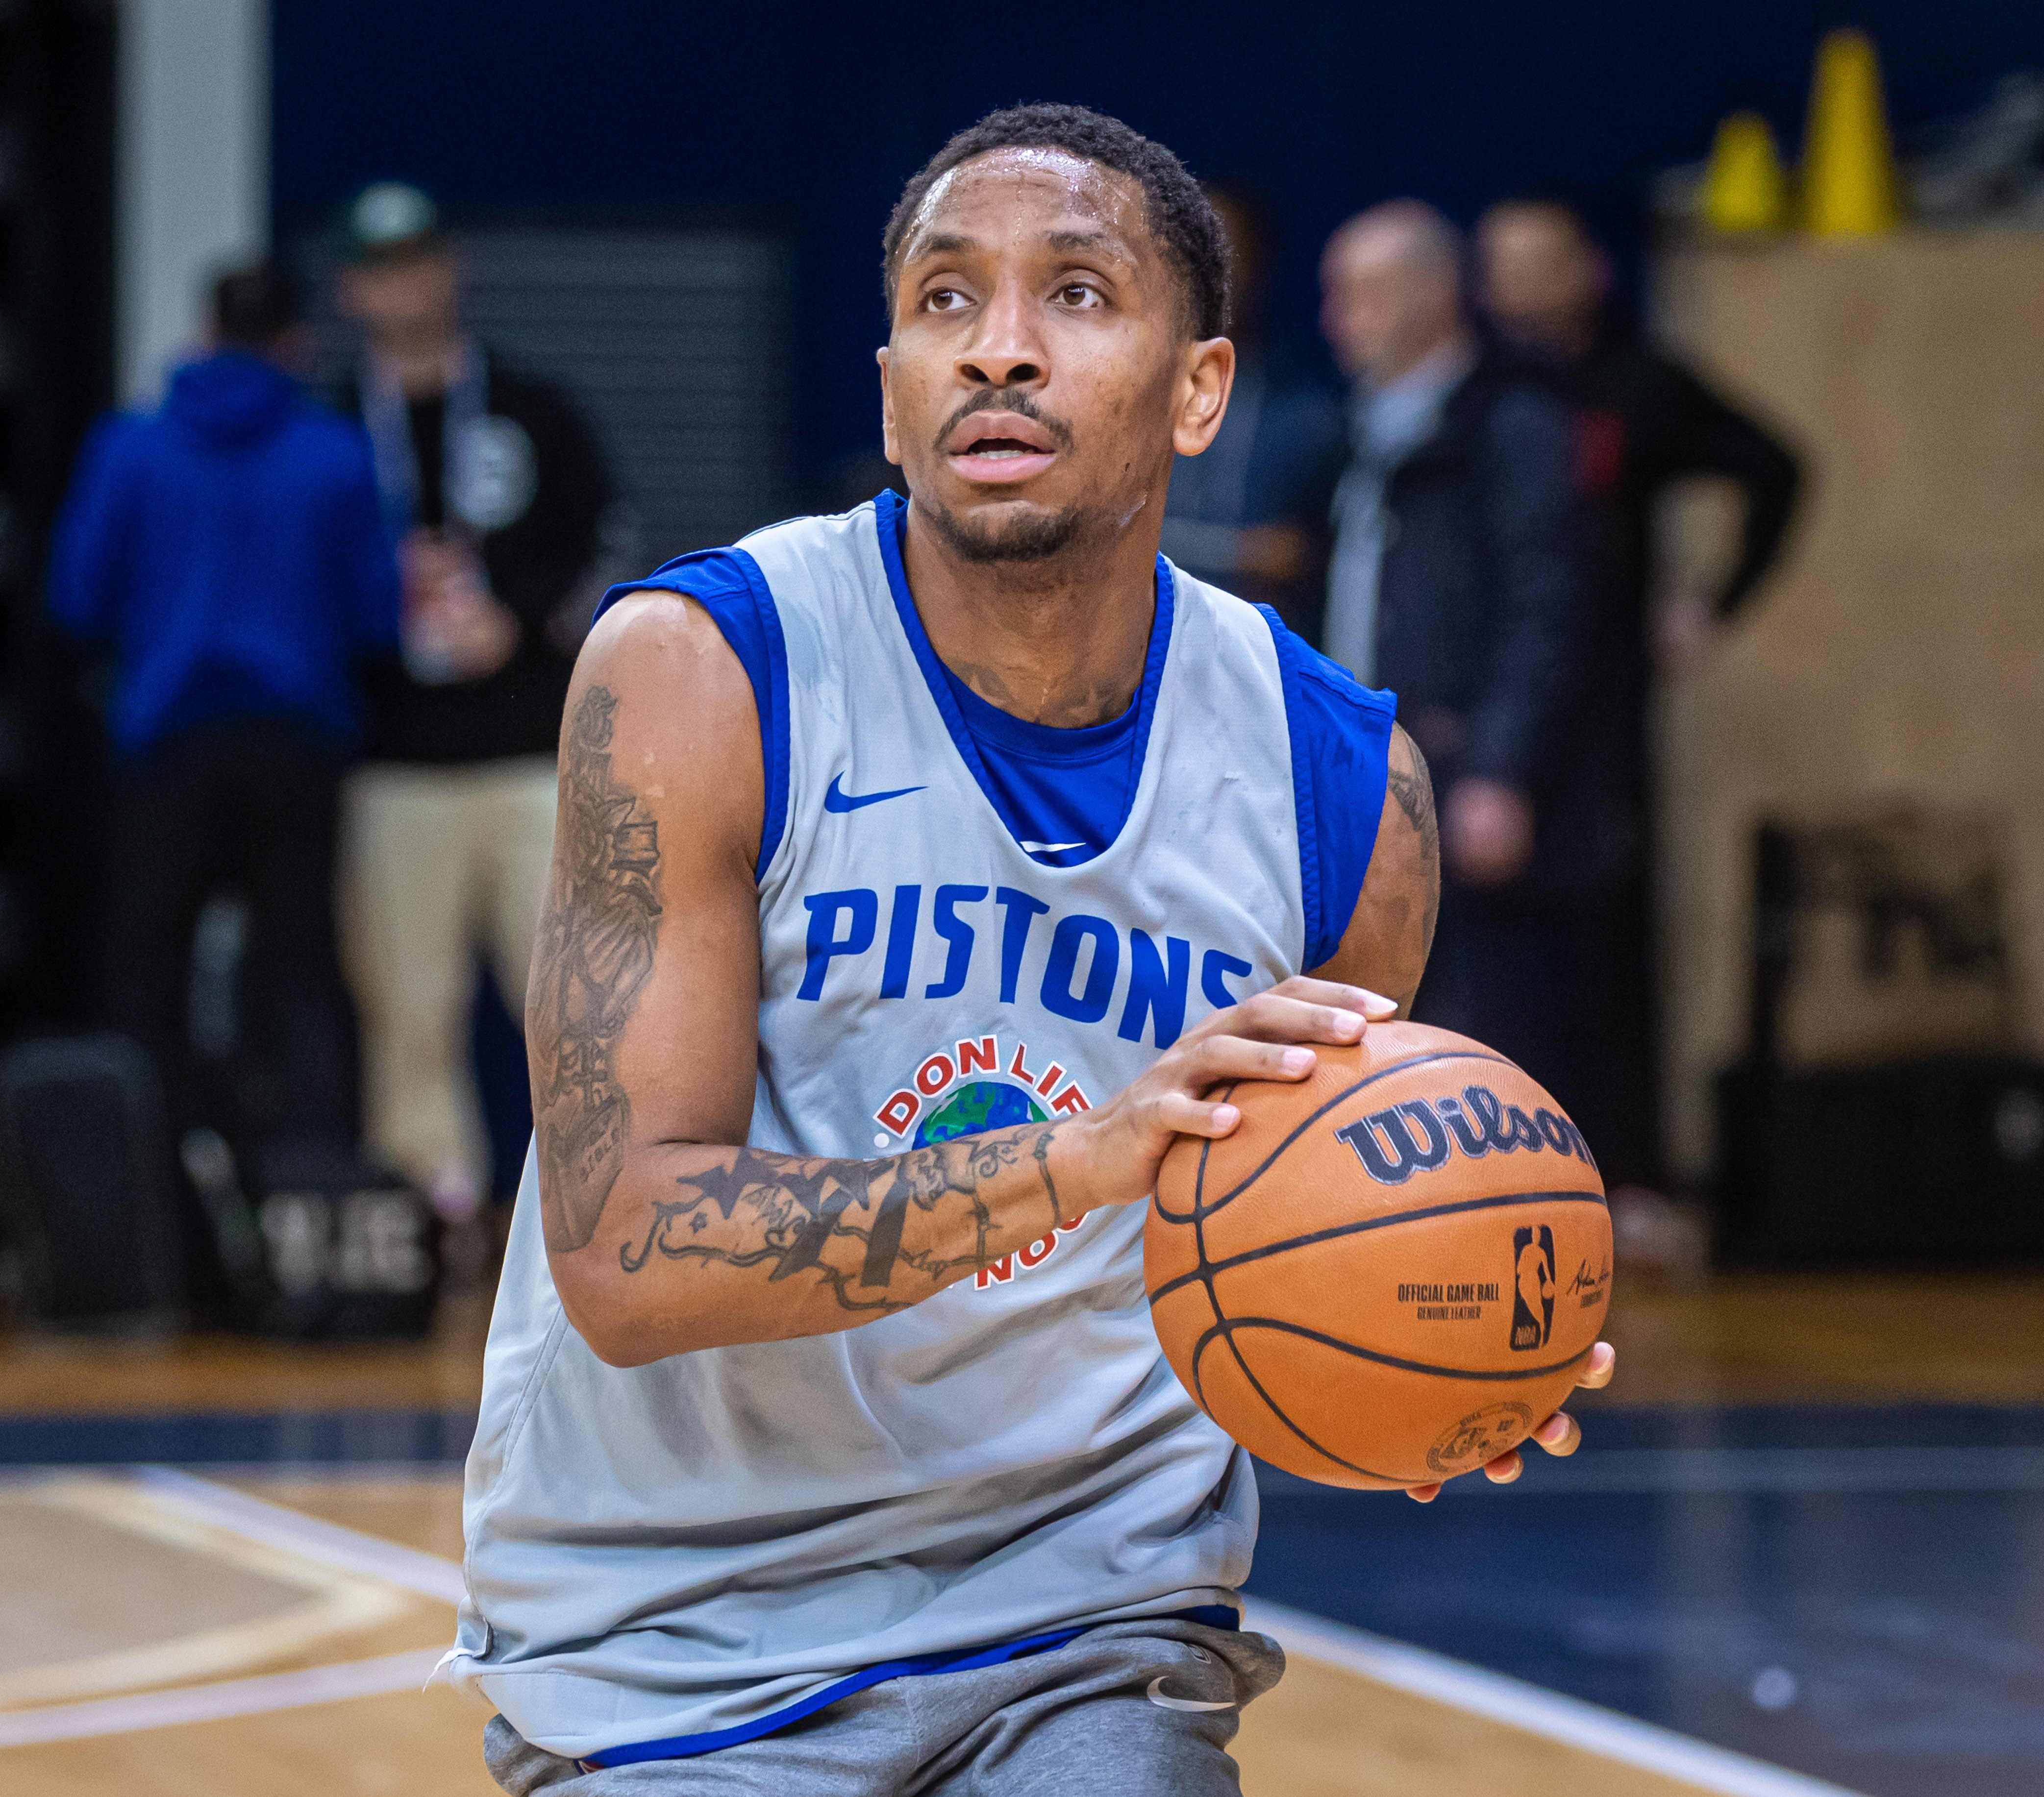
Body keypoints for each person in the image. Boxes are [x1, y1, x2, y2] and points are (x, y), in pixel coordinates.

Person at [452, 104, 1614, 1792]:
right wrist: (1077, 1160)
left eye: (1076, 293)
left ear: (1200, 391)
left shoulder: (1345, 794)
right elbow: (628, 1254)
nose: (998, 348)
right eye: (946, 299)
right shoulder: (706, 672)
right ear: (890, 392)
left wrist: (1440, 1335)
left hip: (1086, 1610)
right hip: (673, 1625)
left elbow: (1298, 1214)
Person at [48, 262, 399, 1242]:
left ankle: (143, 1218)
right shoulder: (332, 452)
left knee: (145, 976)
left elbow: (77, 597)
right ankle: (311, 1222)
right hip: (297, 747)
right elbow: (377, 614)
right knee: (300, 974)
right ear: (292, 341)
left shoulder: (131, 446)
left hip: (170, 745)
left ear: (204, 333)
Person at [1478, 198, 1802, 1225]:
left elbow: (1777, 468)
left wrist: (1712, 604)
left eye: (1542, 261)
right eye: (1501, 265)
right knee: (1492, 949)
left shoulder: (1639, 385)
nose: (1520, 286)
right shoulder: (1478, 398)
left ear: (1592, 270)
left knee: (1611, 941)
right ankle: (1489, 1173)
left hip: (1605, 719)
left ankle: (1630, 1173)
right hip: (1496, 706)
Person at [330, 182, 618, 1221]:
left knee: (581, 1009)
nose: (402, 286)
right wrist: (382, 608)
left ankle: (602, 1222)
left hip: (530, 758)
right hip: (394, 764)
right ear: (350, 290)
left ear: (447, 270)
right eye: (379, 269)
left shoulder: (531, 411)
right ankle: (433, 1235)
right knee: (408, 1016)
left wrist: (520, 618)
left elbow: (605, 552)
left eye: (417, 262)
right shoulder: (332, 427)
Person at [1318, 202, 1599, 1145]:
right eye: (1336, 294)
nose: (1340, 319)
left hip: (1459, 776)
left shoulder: (1511, 423)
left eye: (1367, 294)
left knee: (1484, 1028)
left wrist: (1501, 770)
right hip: (1357, 778)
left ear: (1438, 295)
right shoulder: (1358, 434)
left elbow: (1546, 609)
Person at [1155, 188, 1344, 634]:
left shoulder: (1310, 415)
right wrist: (1243, 552)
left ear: (1264, 267)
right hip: (1142, 647)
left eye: (1229, 253)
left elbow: (1311, 558)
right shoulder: (1128, 393)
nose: (1211, 273)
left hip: (1262, 650)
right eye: (1192, 252)